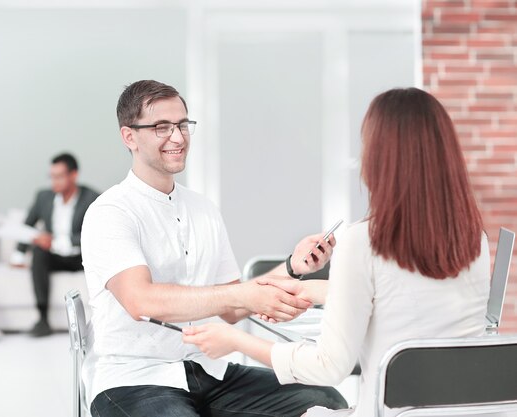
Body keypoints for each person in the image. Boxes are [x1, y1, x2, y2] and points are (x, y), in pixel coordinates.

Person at [183, 87, 491, 416]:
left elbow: (328, 367)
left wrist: (234, 341)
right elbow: (409, 299)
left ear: (379, 157)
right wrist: (310, 288)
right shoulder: (474, 240)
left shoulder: (364, 242)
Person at [80, 80, 347, 417]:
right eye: (162, 127)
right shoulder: (111, 212)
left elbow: (232, 307)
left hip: (208, 370)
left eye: (182, 124)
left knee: (326, 399)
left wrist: (293, 267)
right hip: (133, 378)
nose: (178, 137)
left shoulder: (202, 209)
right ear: (129, 136)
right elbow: (141, 302)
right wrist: (243, 296)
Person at [10, 153, 99, 337]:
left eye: (59, 176)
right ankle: (42, 319)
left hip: (80, 256)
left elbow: (94, 233)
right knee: (39, 252)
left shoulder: (91, 198)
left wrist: (57, 241)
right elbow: (27, 226)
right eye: (51, 176)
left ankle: (99, 320)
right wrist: (18, 255)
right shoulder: (43, 197)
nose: (54, 182)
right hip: (55, 255)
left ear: (73, 175)